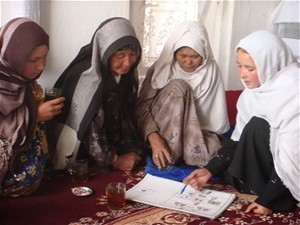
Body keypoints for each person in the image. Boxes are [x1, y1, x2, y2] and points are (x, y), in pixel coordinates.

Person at [183, 30, 299, 215]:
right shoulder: (251, 94)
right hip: (269, 162)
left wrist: (267, 201)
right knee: (225, 155)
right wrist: (209, 170)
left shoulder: (294, 91)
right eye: (239, 66)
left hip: (290, 168)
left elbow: (294, 156)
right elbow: (238, 140)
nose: (242, 75)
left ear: (270, 65)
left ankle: (279, 193)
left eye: (250, 69)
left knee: (257, 126)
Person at [48, 17, 145, 172]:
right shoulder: (84, 75)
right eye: (120, 55)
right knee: (101, 98)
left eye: (132, 54)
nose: (127, 63)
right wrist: (114, 160)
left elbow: (127, 111)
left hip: (108, 138)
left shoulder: (127, 74)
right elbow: (85, 122)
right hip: (81, 145)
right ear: (104, 49)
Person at [136, 21, 229, 170]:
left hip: (196, 129)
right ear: (174, 53)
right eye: (183, 55)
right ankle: (170, 151)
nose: (188, 62)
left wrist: (194, 135)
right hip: (162, 130)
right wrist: (154, 138)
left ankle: (182, 149)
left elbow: (211, 119)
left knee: (216, 153)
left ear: (204, 55)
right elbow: (141, 108)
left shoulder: (211, 71)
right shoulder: (161, 68)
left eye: (195, 56)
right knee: (179, 86)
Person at [0, 17, 65, 197]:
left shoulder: (24, 81)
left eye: (45, 57)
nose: (41, 66)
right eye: (33, 59)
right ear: (13, 55)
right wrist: (33, 115)